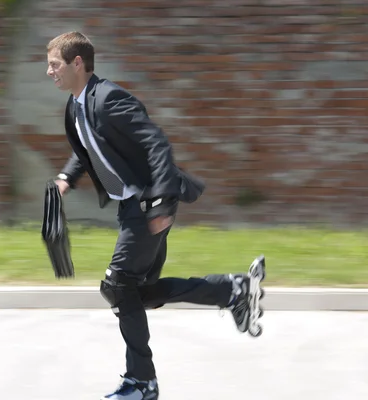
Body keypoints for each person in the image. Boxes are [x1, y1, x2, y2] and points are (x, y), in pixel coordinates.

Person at [46, 31, 265, 400]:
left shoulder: (108, 98)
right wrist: (67, 178)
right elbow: (89, 146)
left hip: (148, 203)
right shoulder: (76, 106)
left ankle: (141, 382)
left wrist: (162, 201)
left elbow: (155, 143)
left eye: (54, 64)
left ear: (77, 63)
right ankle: (234, 290)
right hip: (130, 207)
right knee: (138, 292)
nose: (49, 71)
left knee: (117, 285)